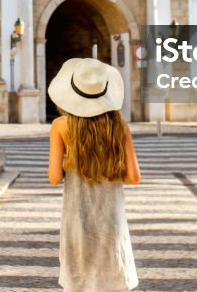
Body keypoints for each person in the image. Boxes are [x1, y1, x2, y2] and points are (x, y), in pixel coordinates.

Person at [48, 58, 140, 291]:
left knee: (80, 280)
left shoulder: (60, 126)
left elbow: (54, 176)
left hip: (77, 217)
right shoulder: (119, 126)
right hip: (111, 220)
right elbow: (134, 177)